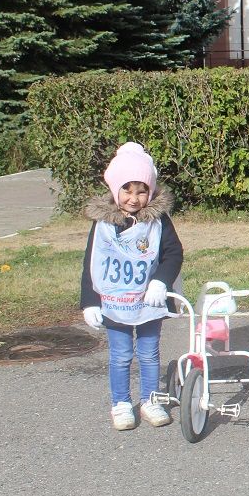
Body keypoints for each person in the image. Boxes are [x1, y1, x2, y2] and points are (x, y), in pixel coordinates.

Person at [80, 142, 184, 431]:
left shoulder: (159, 221)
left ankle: (151, 399)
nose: (134, 198)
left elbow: (173, 253)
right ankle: (121, 404)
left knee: (149, 353)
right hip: (115, 302)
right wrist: (89, 300)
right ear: (116, 191)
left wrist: (161, 282)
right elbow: (93, 262)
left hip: (147, 300)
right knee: (121, 354)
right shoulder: (103, 225)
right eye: (127, 190)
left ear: (150, 191)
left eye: (142, 190)